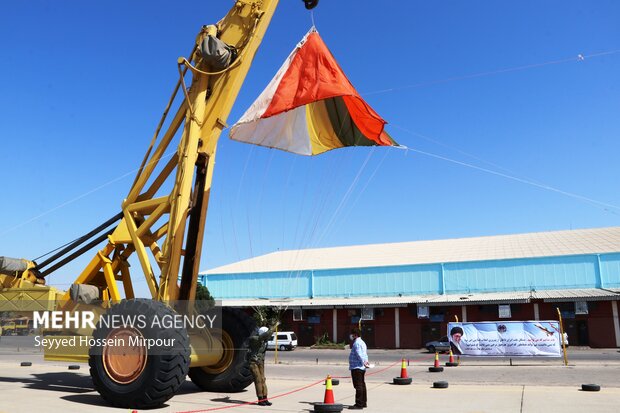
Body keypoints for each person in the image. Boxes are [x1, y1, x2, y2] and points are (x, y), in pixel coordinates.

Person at [248, 322, 278, 406]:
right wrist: (274, 326)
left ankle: (265, 398)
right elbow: (264, 335)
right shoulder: (255, 339)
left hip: (260, 361)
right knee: (258, 380)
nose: (268, 337)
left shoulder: (265, 341)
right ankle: (260, 399)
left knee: (263, 379)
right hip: (253, 362)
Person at [348, 328, 369, 410]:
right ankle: (363, 402)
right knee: (362, 385)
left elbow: (360, 355)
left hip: (357, 367)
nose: (351, 336)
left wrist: (364, 362)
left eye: (352, 334)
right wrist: (366, 362)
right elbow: (365, 354)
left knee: (358, 386)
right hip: (361, 367)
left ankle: (359, 404)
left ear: (355, 335)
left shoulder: (357, 343)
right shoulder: (362, 342)